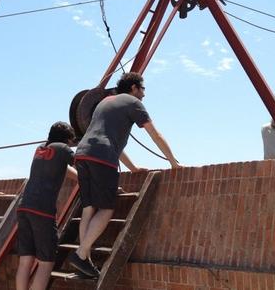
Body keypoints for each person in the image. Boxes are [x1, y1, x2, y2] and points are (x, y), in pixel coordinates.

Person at [69, 72, 181, 278]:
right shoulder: (133, 102)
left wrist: (133, 168)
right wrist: (173, 162)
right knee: (106, 209)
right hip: (102, 158)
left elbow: (110, 141)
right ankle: (80, 254)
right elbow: (155, 134)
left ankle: (84, 260)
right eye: (143, 89)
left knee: (88, 208)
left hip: (82, 155)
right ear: (134, 88)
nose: (144, 94)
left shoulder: (105, 102)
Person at [15, 122, 77, 290]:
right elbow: (83, 166)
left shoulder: (40, 149)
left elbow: (60, 168)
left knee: (25, 261)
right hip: (42, 211)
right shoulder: (63, 148)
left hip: (24, 207)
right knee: (46, 263)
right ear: (68, 139)